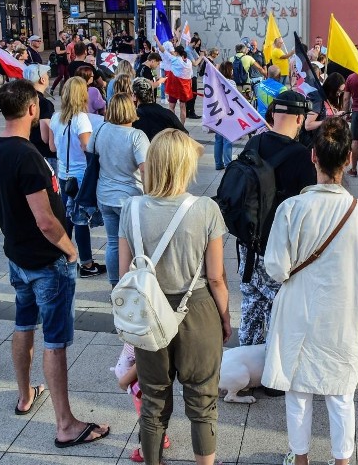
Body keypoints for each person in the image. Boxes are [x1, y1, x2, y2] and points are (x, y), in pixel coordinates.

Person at [0, 79, 110, 447]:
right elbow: (45, 219)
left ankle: (25, 395)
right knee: (55, 341)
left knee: (24, 324)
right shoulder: (26, 155)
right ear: (31, 109)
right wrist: (70, 250)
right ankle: (66, 424)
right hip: (44, 260)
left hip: (17, 255)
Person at [263, 117, 358, 465]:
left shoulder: (291, 209)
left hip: (298, 309)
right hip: (343, 311)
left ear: (313, 157)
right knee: (340, 392)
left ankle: (300, 458)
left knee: (298, 390)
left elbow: (276, 268)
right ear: (348, 159)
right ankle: (342, 460)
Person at [117, 129, 230, 464]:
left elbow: (124, 274)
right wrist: (224, 318)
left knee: (152, 401)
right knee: (202, 401)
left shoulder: (131, 208)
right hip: (196, 310)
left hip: (149, 313)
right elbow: (216, 277)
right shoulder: (206, 209)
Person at [238, 90, 316, 347]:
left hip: (248, 246)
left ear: (272, 114)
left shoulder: (253, 144)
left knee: (251, 307)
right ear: (299, 119)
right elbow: (308, 209)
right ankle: (272, 376)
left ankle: (245, 367)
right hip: (279, 250)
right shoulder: (301, 157)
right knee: (280, 311)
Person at [88, 93, 148, 288]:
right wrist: (149, 197)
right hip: (129, 198)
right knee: (136, 245)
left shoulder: (100, 129)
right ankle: (136, 286)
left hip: (104, 195)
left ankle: (116, 287)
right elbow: (144, 169)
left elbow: (90, 151)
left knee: (113, 243)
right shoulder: (136, 136)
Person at [48, 76, 106, 277]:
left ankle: (63, 256)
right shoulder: (82, 118)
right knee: (80, 219)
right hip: (80, 174)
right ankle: (87, 264)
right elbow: (86, 147)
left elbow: (52, 146)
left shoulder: (57, 117)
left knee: (67, 217)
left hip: (63, 174)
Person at [23, 64, 58, 172]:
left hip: (27, 150)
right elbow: (46, 137)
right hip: (44, 155)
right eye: (47, 74)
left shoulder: (23, 100)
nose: (48, 77)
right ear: (42, 80)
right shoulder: (44, 103)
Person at [157, 41, 201, 123]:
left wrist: (156, 40)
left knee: (171, 106)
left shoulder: (174, 60)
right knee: (183, 106)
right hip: (184, 88)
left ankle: (173, 124)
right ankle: (182, 126)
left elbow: (162, 50)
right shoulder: (189, 63)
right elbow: (190, 75)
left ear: (176, 52)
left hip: (174, 86)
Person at [214, 61, 236, 170]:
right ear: (229, 70)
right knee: (227, 139)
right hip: (228, 113)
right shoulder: (231, 83)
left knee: (218, 139)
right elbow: (234, 98)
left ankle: (218, 163)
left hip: (217, 113)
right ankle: (228, 163)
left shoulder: (215, 82)